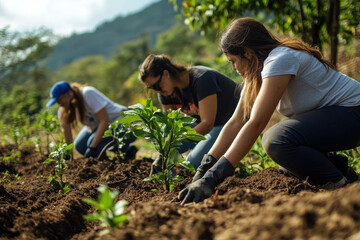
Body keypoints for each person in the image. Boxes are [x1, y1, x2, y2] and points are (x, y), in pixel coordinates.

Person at [178, 17, 360, 204]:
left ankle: (341, 187)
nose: (233, 68)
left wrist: (212, 179)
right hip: (339, 119)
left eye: (233, 61)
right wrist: (203, 171)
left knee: (276, 140)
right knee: (290, 165)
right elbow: (236, 122)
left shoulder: (280, 60)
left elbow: (256, 123)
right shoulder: (258, 72)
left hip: (354, 113)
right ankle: (343, 171)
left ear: (247, 53)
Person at [139, 54, 240, 174]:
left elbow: (207, 124)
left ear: (166, 74)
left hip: (231, 121)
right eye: (152, 88)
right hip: (208, 124)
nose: (157, 91)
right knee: (171, 143)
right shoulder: (166, 92)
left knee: (192, 163)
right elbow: (169, 127)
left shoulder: (202, 78)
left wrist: (173, 145)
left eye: (157, 85)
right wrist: (163, 156)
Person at [46, 81, 137, 160]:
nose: (60, 104)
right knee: (80, 146)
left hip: (123, 121)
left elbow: (104, 121)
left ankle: (124, 151)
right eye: (57, 102)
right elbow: (68, 136)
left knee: (94, 143)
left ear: (69, 93)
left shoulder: (87, 93)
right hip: (100, 125)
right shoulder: (63, 111)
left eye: (60, 100)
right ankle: (114, 156)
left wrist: (92, 148)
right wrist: (67, 154)